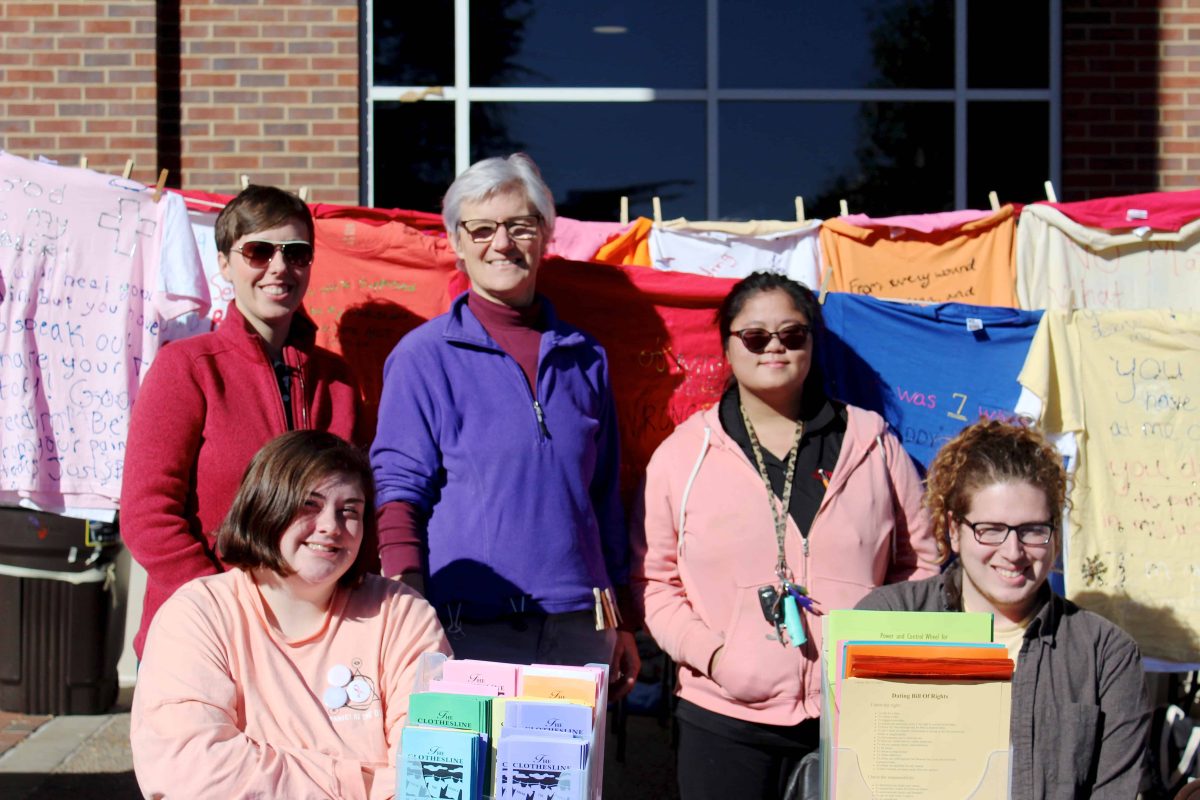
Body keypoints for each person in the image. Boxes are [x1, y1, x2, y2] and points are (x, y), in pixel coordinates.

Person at [634, 272, 939, 800]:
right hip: (723, 718)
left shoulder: (872, 445)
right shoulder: (682, 456)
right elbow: (654, 582)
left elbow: (922, 564)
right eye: (755, 337)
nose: (774, 346)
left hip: (856, 717)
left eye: (792, 334)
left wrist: (874, 647)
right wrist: (715, 658)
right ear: (728, 346)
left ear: (811, 343)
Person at [369, 153, 639, 695]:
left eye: (520, 225)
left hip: (578, 631)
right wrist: (408, 614)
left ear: (545, 236)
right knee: (473, 780)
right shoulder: (424, 357)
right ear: (457, 243)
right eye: (483, 228)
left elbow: (604, 497)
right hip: (465, 628)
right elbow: (398, 491)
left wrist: (621, 617)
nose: (503, 243)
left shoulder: (586, 357)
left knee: (567, 783)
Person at [131, 431, 452, 799]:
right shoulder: (197, 616)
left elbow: (431, 773)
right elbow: (192, 771)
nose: (331, 526)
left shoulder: (403, 615)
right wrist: (362, 783)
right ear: (265, 505)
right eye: (309, 505)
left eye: (350, 510)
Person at [121, 185, 364, 660]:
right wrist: (219, 604)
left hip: (314, 639)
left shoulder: (337, 382)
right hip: (205, 634)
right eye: (258, 251)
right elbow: (148, 514)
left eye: (296, 253)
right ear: (225, 264)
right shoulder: (187, 368)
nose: (279, 267)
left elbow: (357, 511)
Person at [856, 419, 1150, 797]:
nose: (1013, 553)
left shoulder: (1106, 655)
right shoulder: (885, 622)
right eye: (991, 529)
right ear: (954, 530)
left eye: (1032, 530)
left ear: (1055, 536)